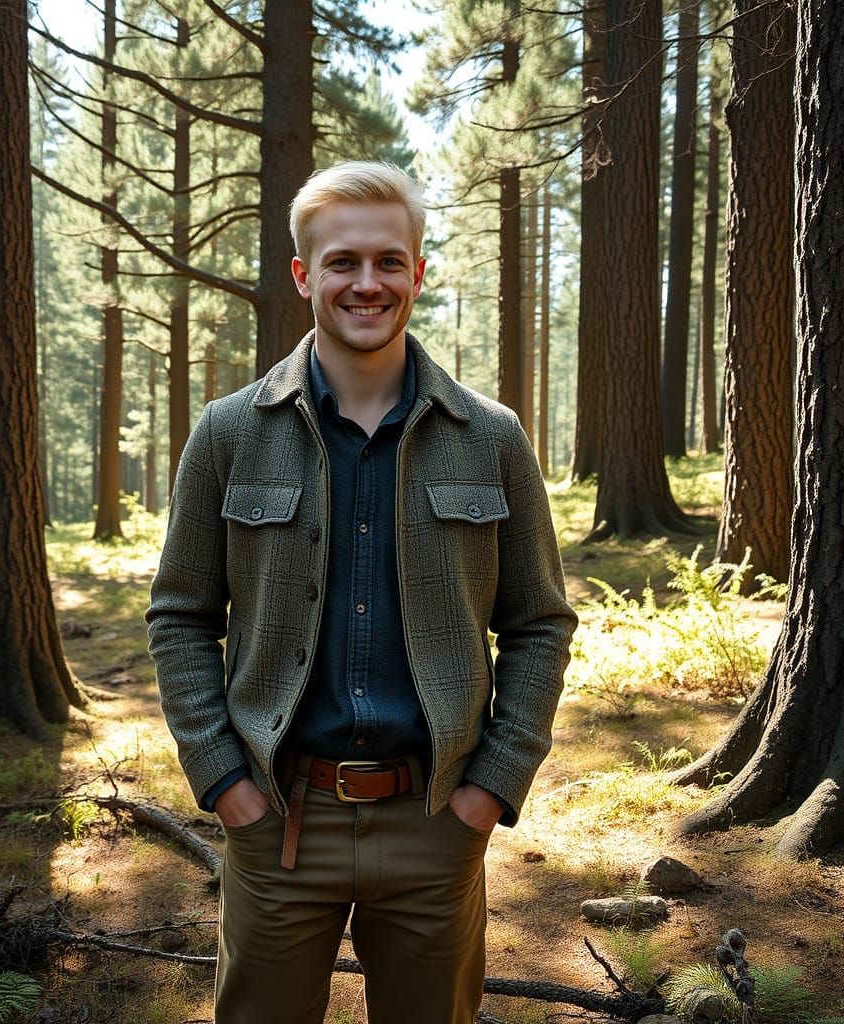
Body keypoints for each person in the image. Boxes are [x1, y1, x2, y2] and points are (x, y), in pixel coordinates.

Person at [146, 160, 577, 1024]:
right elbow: (181, 616)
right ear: (304, 275)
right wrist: (221, 776)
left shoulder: (491, 437)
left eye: (389, 261)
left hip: (435, 821)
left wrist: (489, 788)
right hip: (275, 820)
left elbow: (539, 623)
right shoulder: (231, 432)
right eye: (343, 261)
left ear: (419, 272)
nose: (367, 282)